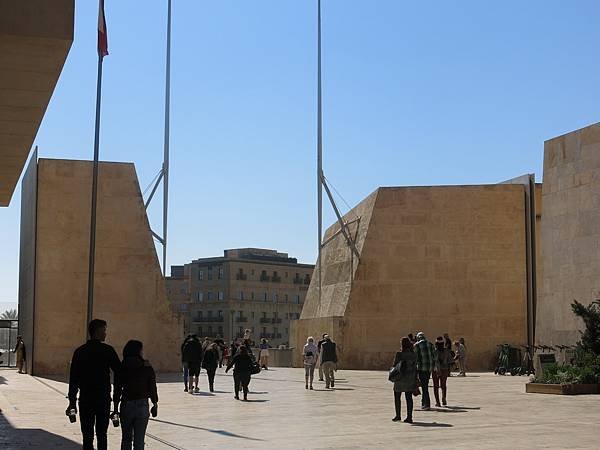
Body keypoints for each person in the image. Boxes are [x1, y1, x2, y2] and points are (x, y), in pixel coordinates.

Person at [66, 319, 121, 450]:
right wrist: (116, 402)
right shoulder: (108, 350)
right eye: (104, 330)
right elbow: (120, 372)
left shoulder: (79, 351)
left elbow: (73, 379)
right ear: (98, 331)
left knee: (87, 436)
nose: (105, 334)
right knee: (102, 434)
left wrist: (72, 402)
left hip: (86, 399)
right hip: (103, 399)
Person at [113, 340, 158, 450]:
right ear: (139, 351)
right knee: (139, 441)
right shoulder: (146, 366)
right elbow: (152, 386)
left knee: (126, 439)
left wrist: (115, 408)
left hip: (126, 404)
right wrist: (155, 403)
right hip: (142, 404)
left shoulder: (121, 366)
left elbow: (117, 389)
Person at [392, 337, 417, 423]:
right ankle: (409, 417)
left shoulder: (399, 354)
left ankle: (398, 415)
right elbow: (415, 366)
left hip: (400, 378)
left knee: (397, 396)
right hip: (410, 378)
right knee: (409, 398)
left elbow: (395, 365)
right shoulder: (413, 354)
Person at [414, 331, 436, 411]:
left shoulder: (417, 345)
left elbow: (415, 358)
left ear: (418, 338)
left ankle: (426, 404)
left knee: (424, 387)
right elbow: (435, 357)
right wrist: (436, 367)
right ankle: (424, 403)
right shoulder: (430, 344)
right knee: (425, 385)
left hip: (421, 368)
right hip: (429, 369)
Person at [433, 336, 452, 407]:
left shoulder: (434, 351)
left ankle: (438, 402)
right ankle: (444, 398)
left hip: (436, 370)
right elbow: (450, 360)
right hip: (444, 369)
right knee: (443, 385)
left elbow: (433, 361)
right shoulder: (446, 351)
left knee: (436, 386)